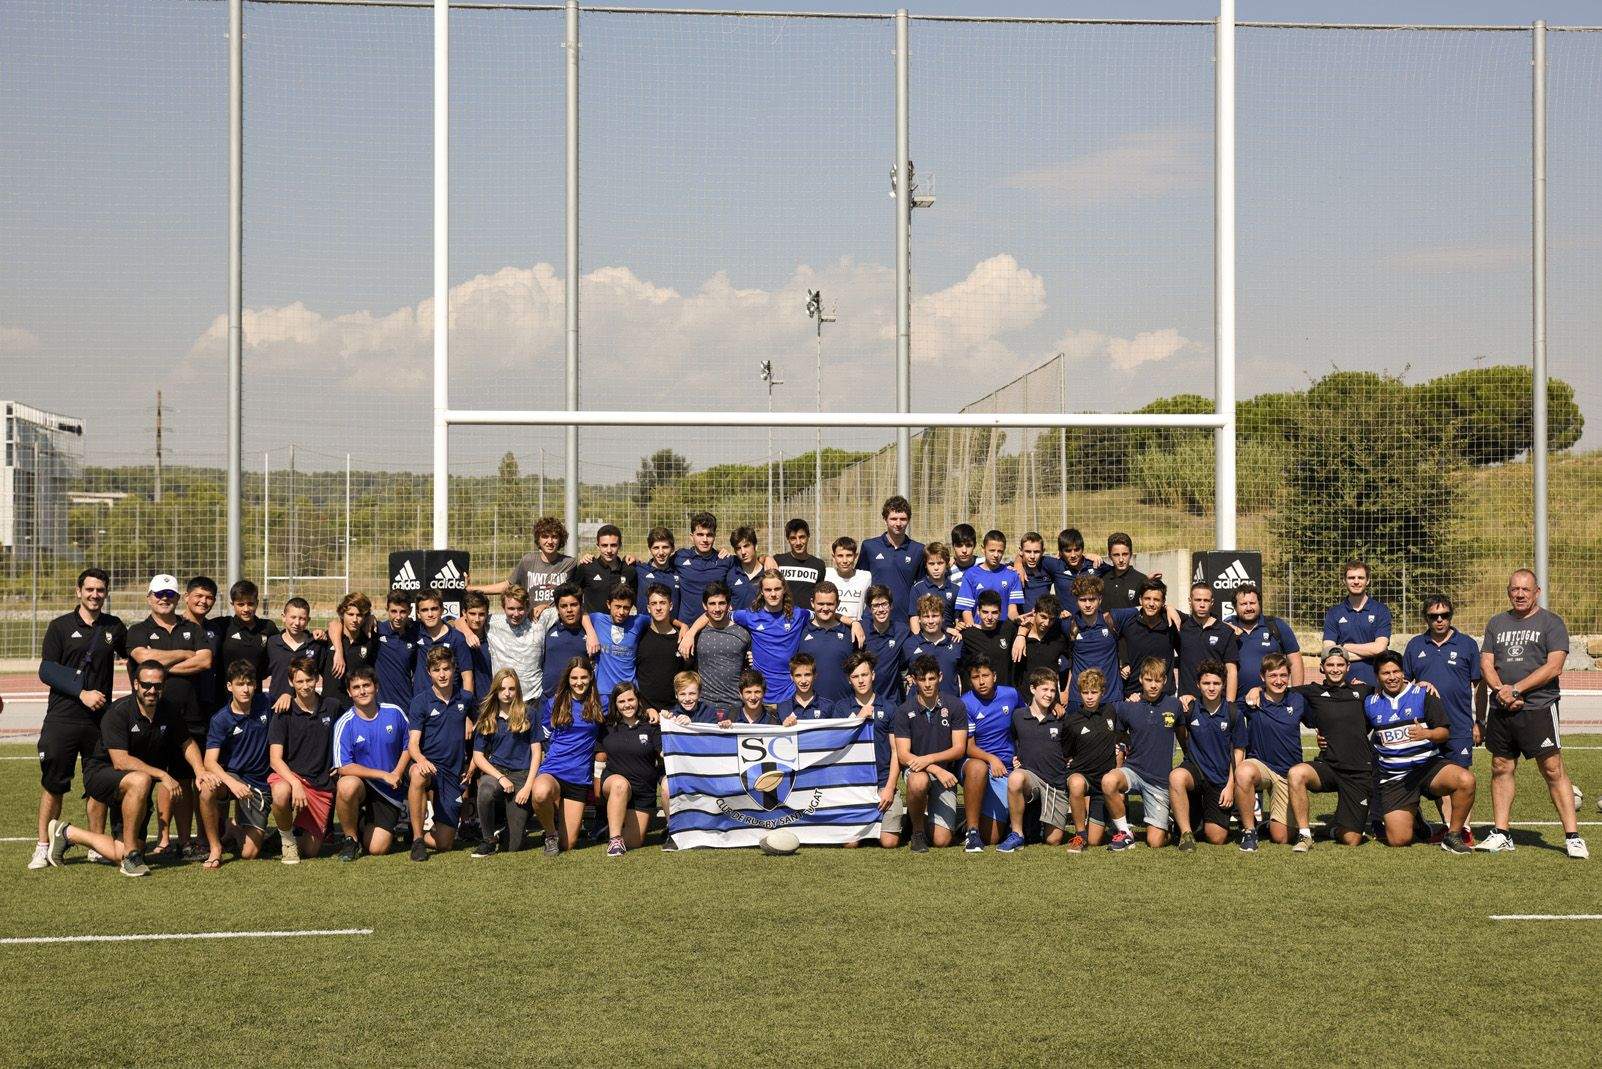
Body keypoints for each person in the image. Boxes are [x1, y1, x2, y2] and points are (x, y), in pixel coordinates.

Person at [46, 660, 214, 877]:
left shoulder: (168, 710)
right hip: (103, 775)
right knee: (141, 779)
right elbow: (120, 761)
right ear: (136, 684)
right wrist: (163, 774)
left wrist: (200, 770)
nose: (152, 690)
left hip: (135, 787)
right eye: (146, 685)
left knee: (120, 851)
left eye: (158, 685)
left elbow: (186, 742)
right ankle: (132, 856)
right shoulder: (119, 711)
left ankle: (67, 832)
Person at [1477, 569, 1586, 859]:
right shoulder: (1497, 623)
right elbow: (1487, 662)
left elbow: (1554, 666)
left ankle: (1572, 836)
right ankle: (1501, 833)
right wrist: (1502, 690)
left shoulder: (1551, 622)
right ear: (1508, 591)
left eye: (1526, 589)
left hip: (1538, 706)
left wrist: (1517, 690)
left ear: (1537, 591)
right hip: (1502, 707)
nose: (1520, 594)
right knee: (1501, 766)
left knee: (1552, 769)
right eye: (1515, 589)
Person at [32, 568, 126, 871]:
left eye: (100, 590)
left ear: (106, 593)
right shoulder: (59, 627)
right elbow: (46, 670)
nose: (95, 595)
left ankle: (96, 845)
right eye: (90, 590)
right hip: (62, 718)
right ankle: (42, 846)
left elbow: (132, 658)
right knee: (54, 784)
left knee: (98, 784)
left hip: (100, 721)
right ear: (78, 592)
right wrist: (82, 692)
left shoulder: (115, 627)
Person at [127, 572, 214, 859]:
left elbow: (204, 660)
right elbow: (142, 659)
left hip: (189, 717)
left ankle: (188, 840)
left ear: (178, 599)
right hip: (149, 717)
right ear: (149, 597)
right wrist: (183, 654)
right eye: (158, 594)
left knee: (187, 779)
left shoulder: (193, 628)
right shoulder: (138, 630)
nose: (164, 599)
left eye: (169, 595)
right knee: (149, 780)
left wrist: (160, 666)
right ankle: (151, 840)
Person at [1365, 651, 1475, 851]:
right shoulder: (1369, 703)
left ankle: (1454, 835)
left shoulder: (1423, 694)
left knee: (1465, 780)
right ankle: (1413, 815)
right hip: (1395, 777)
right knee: (1399, 841)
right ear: (1377, 676)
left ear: (1403, 672)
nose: (1392, 677)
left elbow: (1444, 733)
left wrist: (1427, 734)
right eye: (1385, 673)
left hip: (1428, 768)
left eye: (1396, 671)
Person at [1403, 594, 1481, 837]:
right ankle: (1449, 827)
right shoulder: (1415, 645)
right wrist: (1419, 685)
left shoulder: (1467, 644)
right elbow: (1403, 684)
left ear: (1451, 616)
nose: (1439, 620)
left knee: (1462, 777)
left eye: (1444, 615)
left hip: (1459, 724)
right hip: (1429, 726)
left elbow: (1479, 687)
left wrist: (1480, 721)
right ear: (1425, 618)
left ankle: (1463, 830)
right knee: (1439, 777)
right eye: (1433, 616)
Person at [1284, 647, 1376, 852]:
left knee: (1351, 839)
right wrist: (1256, 689)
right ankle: (1304, 835)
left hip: (1358, 771)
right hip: (1328, 767)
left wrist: (1422, 683)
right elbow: (1277, 688)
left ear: (1348, 667)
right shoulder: (1311, 692)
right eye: (1330, 665)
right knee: (1296, 773)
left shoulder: (1363, 691)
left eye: (1340, 665)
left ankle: (1333, 829)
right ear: (1322, 667)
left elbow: (1392, 689)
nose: (1335, 669)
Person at [332, 665, 411, 861]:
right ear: (350, 693)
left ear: (376, 687)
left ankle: (365, 824)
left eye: (366, 685)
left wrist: (397, 772)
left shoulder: (394, 713)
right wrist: (383, 774)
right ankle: (350, 838)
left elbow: (409, 745)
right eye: (356, 687)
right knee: (346, 784)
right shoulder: (344, 723)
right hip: (363, 784)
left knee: (377, 848)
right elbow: (344, 766)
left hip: (389, 789)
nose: (362, 691)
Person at [199, 660, 274, 867]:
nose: (246, 689)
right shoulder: (221, 719)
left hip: (259, 782)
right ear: (229, 686)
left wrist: (286, 695)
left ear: (256, 685)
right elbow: (209, 761)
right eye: (240, 684)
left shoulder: (266, 703)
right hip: (232, 777)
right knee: (207, 788)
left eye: (249, 683)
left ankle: (232, 826)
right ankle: (215, 848)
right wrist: (232, 784)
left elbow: (288, 698)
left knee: (249, 853)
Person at [267, 659, 343, 864]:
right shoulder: (283, 712)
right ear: (291, 682)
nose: (305, 686)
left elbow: (346, 736)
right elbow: (275, 760)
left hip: (320, 783)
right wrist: (295, 783)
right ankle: (287, 841)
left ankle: (279, 836)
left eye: (309, 680)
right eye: (299, 681)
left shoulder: (332, 706)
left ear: (317, 679)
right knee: (281, 792)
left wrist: (341, 764)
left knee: (311, 851)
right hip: (290, 777)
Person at [1103, 656, 1183, 851]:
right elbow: (1119, 737)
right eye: (1149, 680)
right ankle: (1125, 833)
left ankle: (1168, 824)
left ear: (1165, 681)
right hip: (1134, 771)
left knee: (1155, 842)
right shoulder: (1130, 706)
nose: (1153, 685)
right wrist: (1118, 766)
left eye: (1158, 680)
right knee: (1109, 781)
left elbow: (1184, 739)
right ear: (1140, 679)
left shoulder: (1174, 705)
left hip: (1159, 780)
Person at [406, 646, 476, 860]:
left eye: (446, 668)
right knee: (417, 773)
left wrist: (472, 765)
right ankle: (418, 840)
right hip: (429, 766)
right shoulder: (420, 701)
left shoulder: (466, 699)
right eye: (437, 670)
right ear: (429, 673)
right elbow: (413, 744)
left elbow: (480, 734)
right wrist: (421, 760)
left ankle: (424, 829)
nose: (442, 674)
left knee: (445, 843)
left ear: (454, 669)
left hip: (452, 773)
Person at [892, 655, 968, 853]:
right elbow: (903, 755)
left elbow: (959, 748)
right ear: (914, 680)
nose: (927, 684)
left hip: (944, 775)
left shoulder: (956, 706)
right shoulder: (903, 710)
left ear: (940, 677)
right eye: (922, 679)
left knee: (942, 841)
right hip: (917, 771)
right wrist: (932, 766)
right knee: (918, 781)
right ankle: (917, 832)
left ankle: (916, 816)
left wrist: (932, 760)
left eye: (931, 678)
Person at [530, 657, 605, 854]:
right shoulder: (554, 703)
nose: (579, 682)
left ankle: (560, 827)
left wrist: (652, 711)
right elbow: (543, 735)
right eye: (574, 678)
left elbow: (624, 711)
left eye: (583, 677)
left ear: (591, 678)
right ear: (567, 679)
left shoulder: (601, 703)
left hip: (579, 777)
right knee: (539, 793)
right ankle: (550, 834)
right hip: (553, 770)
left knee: (568, 845)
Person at [1232, 654, 1307, 848]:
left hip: (1287, 773)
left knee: (1281, 837)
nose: (1279, 680)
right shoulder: (1252, 701)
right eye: (1273, 675)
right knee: (1243, 771)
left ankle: (1268, 824)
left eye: (1283, 675)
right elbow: (1226, 710)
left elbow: (1321, 719)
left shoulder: (1298, 700)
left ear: (1289, 676)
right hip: (1261, 766)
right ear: (1262, 677)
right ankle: (1249, 831)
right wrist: (1255, 690)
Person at [1169, 662, 1240, 852]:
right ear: (1198, 685)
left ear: (1223, 684)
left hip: (1220, 778)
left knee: (1216, 837)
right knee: (1176, 776)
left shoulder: (1233, 713)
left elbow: (1238, 752)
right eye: (1206, 683)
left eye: (1216, 683)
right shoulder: (1190, 709)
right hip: (1196, 771)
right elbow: (1180, 731)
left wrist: (1231, 785)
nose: (1211, 687)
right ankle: (1186, 834)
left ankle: (1199, 817)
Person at [714, 569, 810, 704]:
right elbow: (715, 614)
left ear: (784, 590)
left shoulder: (799, 614)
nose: (773, 594)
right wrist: (690, 632)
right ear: (762, 591)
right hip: (759, 695)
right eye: (768, 590)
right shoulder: (750, 616)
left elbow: (824, 613)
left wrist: (851, 622)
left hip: (790, 693)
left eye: (777, 589)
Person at [1000, 668, 1071, 851]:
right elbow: (1013, 741)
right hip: (1030, 778)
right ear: (1033, 689)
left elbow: (1069, 749)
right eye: (1044, 689)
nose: (1049, 695)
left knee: (1053, 840)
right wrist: (1017, 759)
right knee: (1016, 777)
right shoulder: (1018, 716)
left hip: (1055, 784)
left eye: (1053, 690)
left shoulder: (1060, 718)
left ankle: (1037, 820)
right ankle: (1017, 833)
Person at [834, 651, 899, 848]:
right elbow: (837, 747)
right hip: (854, 786)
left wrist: (889, 788)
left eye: (864, 674)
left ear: (873, 675)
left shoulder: (889, 707)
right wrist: (857, 719)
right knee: (850, 844)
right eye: (855, 676)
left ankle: (900, 822)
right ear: (849, 680)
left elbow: (897, 752)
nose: (861, 680)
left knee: (889, 842)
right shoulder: (842, 708)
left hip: (882, 782)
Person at [470, 668, 537, 858]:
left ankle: (510, 831)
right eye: (502, 689)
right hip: (497, 772)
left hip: (522, 775)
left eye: (512, 689)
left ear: (518, 691)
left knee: (514, 846)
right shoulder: (487, 716)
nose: (507, 693)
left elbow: (537, 753)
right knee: (485, 790)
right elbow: (478, 756)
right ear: (496, 690)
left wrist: (528, 787)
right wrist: (500, 777)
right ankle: (488, 840)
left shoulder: (530, 713)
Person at [960, 655, 1021, 851]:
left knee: (993, 837)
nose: (981, 681)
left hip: (1008, 768)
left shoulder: (1011, 695)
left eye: (985, 675)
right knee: (989, 838)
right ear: (970, 680)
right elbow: (968, 747)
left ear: (994, 676)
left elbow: (1027, 720)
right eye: (976, 677)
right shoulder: (966, 703)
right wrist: (991, 759)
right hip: (980, 764)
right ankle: (971, 830)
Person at [598, 681, 663, 856]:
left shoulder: (651, 724)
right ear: (615, 704)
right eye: (621, 701)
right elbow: (596, 757)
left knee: (634, 842)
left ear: (638, 700)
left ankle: (610, 828)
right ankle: (614, 839)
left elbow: (663, 753)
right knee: (620, 784)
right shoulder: (606, 726)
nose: (627, 705)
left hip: (643, 791)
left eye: (631, 699)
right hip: (614, 785)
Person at [1063, 669, 1119, 852]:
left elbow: (1122, 739)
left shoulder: (1111, 711)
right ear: (1080, 693)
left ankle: (1103, 826)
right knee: (1076, 783)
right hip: (1083, 776)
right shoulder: (1072, 720)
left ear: (1102, 692)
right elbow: (1067, 752)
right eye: (1085, 692)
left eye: (1094, 692)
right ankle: (1079, 835)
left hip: (1104, 783)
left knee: (1095, 841)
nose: (1089, 697)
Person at [472, 515, 574, 609]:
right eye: (545, 536)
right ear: (538, 539)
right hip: (530, 620)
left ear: (561, 539)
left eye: (555, 537)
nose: (550, 541)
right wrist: (473, 589)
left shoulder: (569, 564)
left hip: (557, 621)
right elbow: (508, 585)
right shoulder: (528, 561)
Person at [1322, 559, 1392, 685]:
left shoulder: (1381, 610)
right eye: (1351, 578)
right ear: (1344, 581)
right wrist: (1371, 653)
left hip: (1375, 683)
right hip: (1343, 684)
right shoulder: (1334, 613)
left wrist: (1344, 647)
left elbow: (1380, 648)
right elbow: (1329, 653)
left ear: (1368, 580)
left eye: (1360, 577)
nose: (1356, 581)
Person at [683, 581, 750, 715]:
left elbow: (750, 666)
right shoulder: (695, 634)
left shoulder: (744, 633)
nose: (717, 609)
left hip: (736, 706)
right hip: (703, 706)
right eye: (712, 604)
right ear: (704, 605)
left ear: (729, 605)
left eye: (722, 603)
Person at [211, 578, 278, 710]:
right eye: (240, 604)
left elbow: (287, 643)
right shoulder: (222, 625)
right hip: (224, 699)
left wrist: (316, 634)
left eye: (250, 603)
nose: (246, 609)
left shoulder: (267, 627)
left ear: (257, 603)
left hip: (253, 696)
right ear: (232, 604)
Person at [1227, 584, 1303, 693]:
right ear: (1235, 607)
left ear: (1259, 604)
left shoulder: (1276, 626)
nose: (1249, 608)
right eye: (1243, 604)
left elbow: (1295, 660)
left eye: (1252, 603)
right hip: (1236, 702)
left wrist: (1297, 694)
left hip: (1271, 701)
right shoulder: (1227, 628)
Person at [861, 495, 925, 619]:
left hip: (904, 618)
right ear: (885, 519)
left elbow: (921, 586)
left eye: (903, 519)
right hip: (874, 617)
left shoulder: (918, 550)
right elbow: (860, 581)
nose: (898, 523)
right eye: (893, 518)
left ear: (909, 520)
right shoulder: (869, 546)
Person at [1064, 575, 1123, 710]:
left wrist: (1168, 608)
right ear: (1076, 601)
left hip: (1110, 698)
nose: (1088, 604)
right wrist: (1021, 634)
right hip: (1079, 700)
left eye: (1092, 599)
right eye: (1082, 600)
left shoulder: (1112, 619)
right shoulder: (1068, 624)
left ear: (1100, 599)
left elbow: (1144, 608)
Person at [582, 584, 652, 696]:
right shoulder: (598, 619)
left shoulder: (638, 621)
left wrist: (683, 626)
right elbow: (581, 614)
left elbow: (661, 619)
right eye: (617, 606)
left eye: (626, 608)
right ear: (608, 604)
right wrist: (590, 632)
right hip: (603, 693)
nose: (621, 612)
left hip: (628, 692)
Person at [1114, 578, 1179, 697]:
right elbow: (1117, 642)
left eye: (1156, 600)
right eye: (1147, 598)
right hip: (1134, 695)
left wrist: (1170, 608)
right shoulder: (1129, 623)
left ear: (1163, 602)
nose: (1151, 603)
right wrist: (1123, 662)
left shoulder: (1171, 623)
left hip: (1165, 695)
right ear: (1140, 600)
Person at [1175, 583, 1240, 701]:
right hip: (1187, 701)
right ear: (1190, 601)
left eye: (1206, 600)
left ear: (1212, 602)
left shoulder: (1225, 631)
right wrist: (1168, 607)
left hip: (1216, 702)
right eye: (1198, 600)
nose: (1202, 604)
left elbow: (1231, 670)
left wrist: (1230, 704)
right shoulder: (1181, 628)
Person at [671, 512, 735, 625]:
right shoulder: (680, 557)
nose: (705, 539)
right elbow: (657, 564)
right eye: (700, 534)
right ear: (692, 536)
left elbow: (749, 562)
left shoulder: (725, 560)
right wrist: (633, 559)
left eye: (709, 535)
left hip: (714, 627)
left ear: (715, 536)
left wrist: (766, 559)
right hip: (686, 627)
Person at [801, 581, 859, 705]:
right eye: (821, 604)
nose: (825, 608)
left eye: (830, 604)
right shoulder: (801, 631)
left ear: (838, 604)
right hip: (810, 708)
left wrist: (855, 623)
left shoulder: (851, 633)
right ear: (812, 603)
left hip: (844, 707)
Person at [481, 585, 541, 703]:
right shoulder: (492, 622)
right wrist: (468, 633)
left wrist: (589, 632)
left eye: (520, 608)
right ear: (503, 607)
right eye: (511, 608)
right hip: (504, 698)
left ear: (528, 606)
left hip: (532, 698)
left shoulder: (539, 620)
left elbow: (571, 608)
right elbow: (461, 620)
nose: (516, 613)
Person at [634, 584, 688, 714]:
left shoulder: (683, 639)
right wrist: (645, 708)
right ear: (648, 608)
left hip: (675, 713)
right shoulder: (639, 635)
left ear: (671, 606)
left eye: (663, 603)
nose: (658, 608)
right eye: (654, 603)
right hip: (644, 711)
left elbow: (688, 676)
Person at [265, 597, 326, 710]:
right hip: (277, 705)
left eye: (302, 618)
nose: (297, 623)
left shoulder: (316, 644)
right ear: (283, 617)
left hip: (307, 707)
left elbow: (325, 675)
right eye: (293, 617)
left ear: (308, 620)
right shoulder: (272, 643)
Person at [412, 589, 473, 697]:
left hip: (450, 704)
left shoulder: (456, 638)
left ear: (442, 610)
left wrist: (467, 707)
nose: (430, 614)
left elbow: (467, 677)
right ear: (418, 613)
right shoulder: (413, 632)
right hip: (422, 705)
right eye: (425, 610)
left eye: (434, 609)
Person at [956, 529, 1024, 625]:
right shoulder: (970, 574)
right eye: (992, 550)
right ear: (983, 549)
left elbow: (1012, 610)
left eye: (1000, 551)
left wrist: (1018, 619)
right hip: (978, 630)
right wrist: (973, 632)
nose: (996, 555)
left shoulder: (1012, 575)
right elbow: (966, 610)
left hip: (1003, 633)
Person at [1006, 593, 1069, 692]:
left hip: (1049, 699)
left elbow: (1073, 660)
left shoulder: (1059, 637)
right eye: (1043, 617)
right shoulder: (1017, 633)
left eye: (1051, 619)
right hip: (1023, 700)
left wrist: (1066, 691)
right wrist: (1020, 635)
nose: (1047, 623)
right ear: (1034, 612)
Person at [860, 584, 910, 707]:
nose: (881, 609)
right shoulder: (861, 629)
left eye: (884, 604)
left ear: (891, 605)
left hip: (893, 701)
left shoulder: (902, 631)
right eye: (876, 605)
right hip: (865, 702)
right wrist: (853, 622)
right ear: (869, 609)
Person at [182, 575, 224, 719]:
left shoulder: (216, 629)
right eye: (198, 596)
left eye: (209, 597)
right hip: (181, 704)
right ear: (186, 597)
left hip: (209, 704)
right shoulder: (174, 626)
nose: (203, 601)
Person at [907, 594, 962, 701]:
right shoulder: (909, 644)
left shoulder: (956, 642)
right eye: (926, 616)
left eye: (935, 616)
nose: (931, 621)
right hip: (919, 710)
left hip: (950, 706)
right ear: (919, 619)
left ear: (942, 618)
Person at [323, 592, 376, 703]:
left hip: (358, 705)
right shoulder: (328, 638)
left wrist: (372, 618)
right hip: (330, 705)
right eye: (350, 614)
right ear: (342, 615)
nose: (355, 619)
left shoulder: (369, 639)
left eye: (360, 615)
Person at [958, 591, 1013, 692]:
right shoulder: (967, 634)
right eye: (985, 612)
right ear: (978, 611)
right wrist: (951, 629)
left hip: (1002, 695)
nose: (990, 617)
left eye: (994, 612)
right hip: (978, 698)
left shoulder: (1008, 628)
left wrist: (1021, 635)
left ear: (1000, 612)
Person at [540, 584, 590, 693]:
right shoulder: (547, 627)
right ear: (557, 609)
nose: (569, 610)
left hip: (579, 698)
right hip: (549, 698)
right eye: (563, 606)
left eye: (573, 605)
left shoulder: (591, 631)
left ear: (581, 606)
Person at [574, 524, 634, 615]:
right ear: (598, 546)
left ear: (620, 546)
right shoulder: (586, 567)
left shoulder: (629, 570)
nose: (609, 550)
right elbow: (573, 597)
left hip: (621, 626)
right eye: (604, 545)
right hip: (593, 627)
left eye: (613, 545)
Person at [907, 542, 958, 635]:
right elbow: (914, 618)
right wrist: (919, 642)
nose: (936, 568)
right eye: (931, 564)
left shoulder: (955, 589)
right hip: (925, 640)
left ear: (947, 563)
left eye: (940, 563)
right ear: (925, 565)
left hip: (949, 639)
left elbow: (958, 619)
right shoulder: (918, 588)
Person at [774, 517, 826, 608]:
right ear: (788, 539)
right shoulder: (778, 561)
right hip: (782, 618)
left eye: (802, 537)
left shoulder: (819, 565)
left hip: (807, 619)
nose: (798, 542)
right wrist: (765, 558)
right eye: (793, 538)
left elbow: (819, 596)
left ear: (808, 536)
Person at [633, 527, 682, 619]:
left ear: (672, 548)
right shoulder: (639, 570)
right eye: (656, 548)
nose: (661, 552)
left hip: (672, 629)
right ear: (650, 549)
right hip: (645, 631)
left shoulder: (679, 573)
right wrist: (627, 558)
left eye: (665, 547)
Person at [723, 525, 773, 612]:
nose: (743, 552)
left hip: (763, 624)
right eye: (738, 548)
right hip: (737, 625)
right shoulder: (730, 573)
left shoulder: (767, 572)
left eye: (746, 546)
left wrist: (767, 558)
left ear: (755, 546)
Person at [823, 536, 871, 622]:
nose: (844, 560)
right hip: (831, 628)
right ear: (833, 557)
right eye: (840, 556)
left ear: (855, 556)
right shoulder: (826, 574)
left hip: (856, 627)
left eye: (849, 555)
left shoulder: (866, 577)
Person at [1096, 532, 1147, 610]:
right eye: (1116, 555)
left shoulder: (1141, 580)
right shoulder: (1101, 578)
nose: (1121, 560)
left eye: (1125, 554)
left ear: (1131, 554)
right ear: (1110, 556)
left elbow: (1152, 605)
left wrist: (1168, 608)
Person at [775, 654, 830, 721]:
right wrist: (784, 729)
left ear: (815, 675)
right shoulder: (783, 707)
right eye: (798, 675)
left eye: (807, 675)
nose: (803, 681)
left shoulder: (828, 706)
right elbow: (777, 731)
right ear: (792, 677)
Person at [1013, 531, 1055, 612]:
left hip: (1044, 620)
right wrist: (1017, 562)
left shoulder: (1048, 566)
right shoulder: (1013, 570)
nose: (1032, 556)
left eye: (1036, 552)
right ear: (1021, 551)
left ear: (1043, 551)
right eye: (1028, 552)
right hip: (1022, 621)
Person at [946, 524, 979, 588]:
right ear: (953, 546)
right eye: (959, 545)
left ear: (974, 545)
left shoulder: (983, 564)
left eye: (968, 545)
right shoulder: (947, 569)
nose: (964, 550)